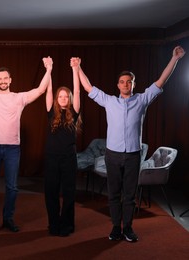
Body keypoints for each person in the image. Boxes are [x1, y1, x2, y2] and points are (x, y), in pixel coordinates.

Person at [76, 46, 185, 242]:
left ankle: (128, 228)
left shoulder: (142, 100)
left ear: (133, 84)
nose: (126, 84)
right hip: (113, 155)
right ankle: (115, 228)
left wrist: (175, 59)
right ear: (117, 85)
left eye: (129, 82)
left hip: (133, 155)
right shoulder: (109, 101)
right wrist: (77, 67)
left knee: (129, 195)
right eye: (122, 82)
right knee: (113, 194)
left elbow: (161, 80)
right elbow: (88, 87)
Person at [0, 46, 53, 234]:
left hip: (13, 148)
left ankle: (8, 219)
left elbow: (40, 90)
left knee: (13, 187)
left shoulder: (19, 98)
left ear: (10, 80)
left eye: (6, 78)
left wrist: (48, 70)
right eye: (0, 79)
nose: (3, 81)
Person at [44, 58, 82, 237]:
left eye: (66, 96)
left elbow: (77, 89)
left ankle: (66, 225)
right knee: (51, 192)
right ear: (56, 99)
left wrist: (75, 69)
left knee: (68, 193)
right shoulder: (51, 113)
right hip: (52, 158)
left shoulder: (74, 113)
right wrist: (49, 69)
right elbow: (49, 89)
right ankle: (53, 224)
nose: (63, 98)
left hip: (68, 159)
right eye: (60, 96)